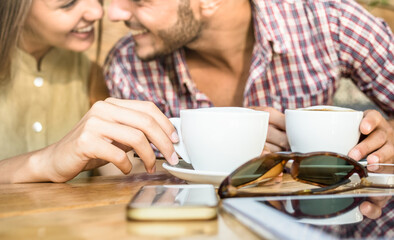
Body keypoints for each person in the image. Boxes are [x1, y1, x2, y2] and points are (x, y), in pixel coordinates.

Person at [104, 0, 394, 164]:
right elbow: (148, 185)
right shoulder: (129, 66)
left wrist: (387, 138)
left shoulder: (330, 21)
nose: (113, 13)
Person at [0, 0, 179, 184]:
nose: (97, 12)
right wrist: (45, 161)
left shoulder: (92, 75)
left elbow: (119, 168)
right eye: (68, 3)